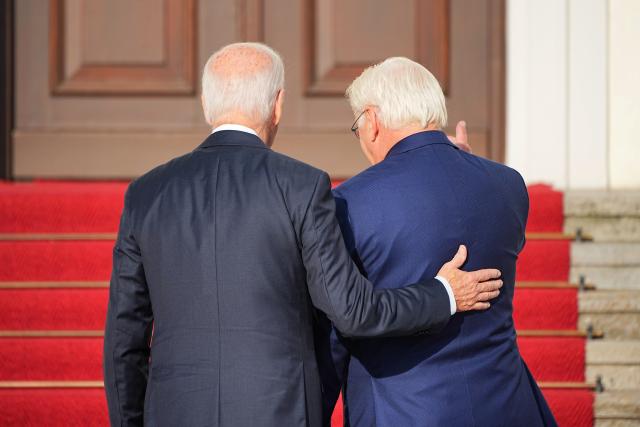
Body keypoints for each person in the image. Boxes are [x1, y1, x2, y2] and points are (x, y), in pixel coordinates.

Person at [102, 43, 503, 427]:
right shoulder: (303, 187)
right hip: (281, 411)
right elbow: (354, 312)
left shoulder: (146, 194)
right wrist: (445, 293)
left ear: (207, 105)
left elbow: (124, 339)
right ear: (278, 105)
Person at [322, 57, 557, 426]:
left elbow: (340, 326)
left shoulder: (348, 203)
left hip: (402, 411)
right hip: (506, 403)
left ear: (373, 120)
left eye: (357, 126)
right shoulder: (508, 185)